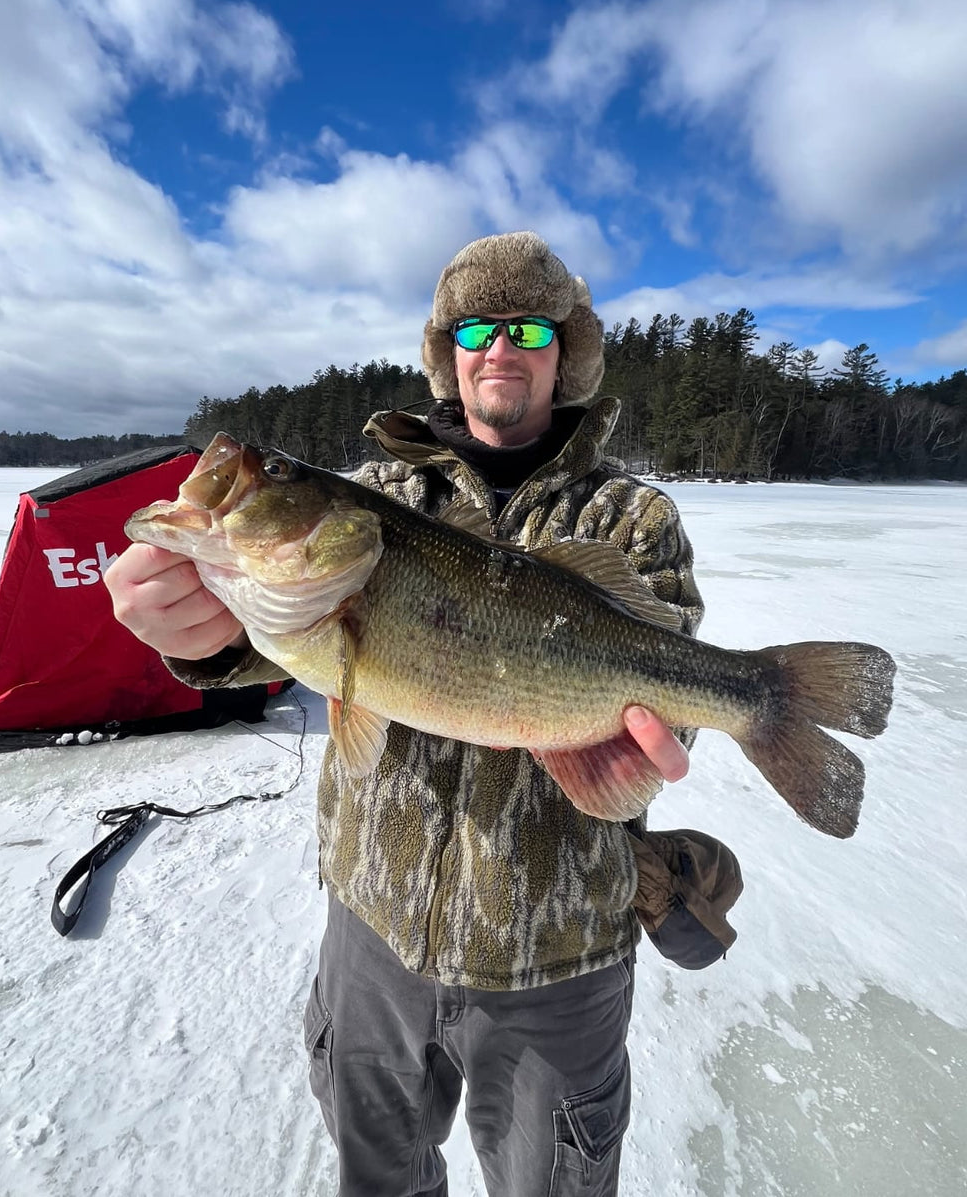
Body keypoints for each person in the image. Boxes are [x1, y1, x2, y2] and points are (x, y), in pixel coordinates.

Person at [106, 231, 713, 1197]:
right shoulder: (382, 498)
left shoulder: (630, 520)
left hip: (556, 958)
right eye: (476, 326)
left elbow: (664, 691)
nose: (499, 345)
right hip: (373, 933)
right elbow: (263, 642)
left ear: (567, 354)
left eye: (528, 326)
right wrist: (196, 634)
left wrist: (666, 732)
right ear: (449, 351)